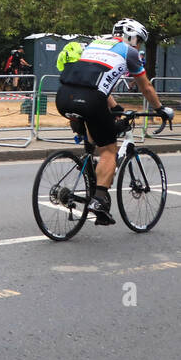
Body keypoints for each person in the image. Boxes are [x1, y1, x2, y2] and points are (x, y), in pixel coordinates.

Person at [55, 19, 173, 225]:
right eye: (140, 41)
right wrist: (160, 109)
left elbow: (95, 82)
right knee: (109, 150)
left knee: (95, 139)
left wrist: (116, 108)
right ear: (132, 37)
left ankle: (90, 173)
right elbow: (145, 88)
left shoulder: (95, 44)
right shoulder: (130, 52)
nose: (139, 46)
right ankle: (99, 199)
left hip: (64, 97)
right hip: (90, 100)